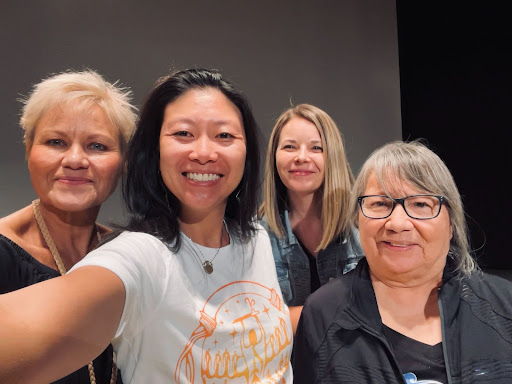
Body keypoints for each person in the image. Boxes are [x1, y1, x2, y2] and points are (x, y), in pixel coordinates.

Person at [0, 68, 293, 383]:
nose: (205, 152)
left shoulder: (255, 237)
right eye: (183, 133)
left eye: (224, 135)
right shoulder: (139, 255)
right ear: (154, 152)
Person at [292, 140, 512, 383]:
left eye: (420, 204)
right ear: (358, 220)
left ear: (451, 224)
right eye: (379, 204)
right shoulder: (322, 314)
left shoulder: (504, 307)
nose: (397, 224)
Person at [0, 69, 137, 384]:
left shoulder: (131, 255)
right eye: (56, 142)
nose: (75, 159)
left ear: (124, 161)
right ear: (28, 150)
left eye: (97, 146)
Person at [258, 103, 364, 333]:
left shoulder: (364, 224)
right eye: (289, 147)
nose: (301, 157)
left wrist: (293, 317)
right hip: (291, 367)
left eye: (316, 148)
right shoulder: (257, 237)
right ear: (274, 157)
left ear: (332, 156)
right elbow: (258, 325)